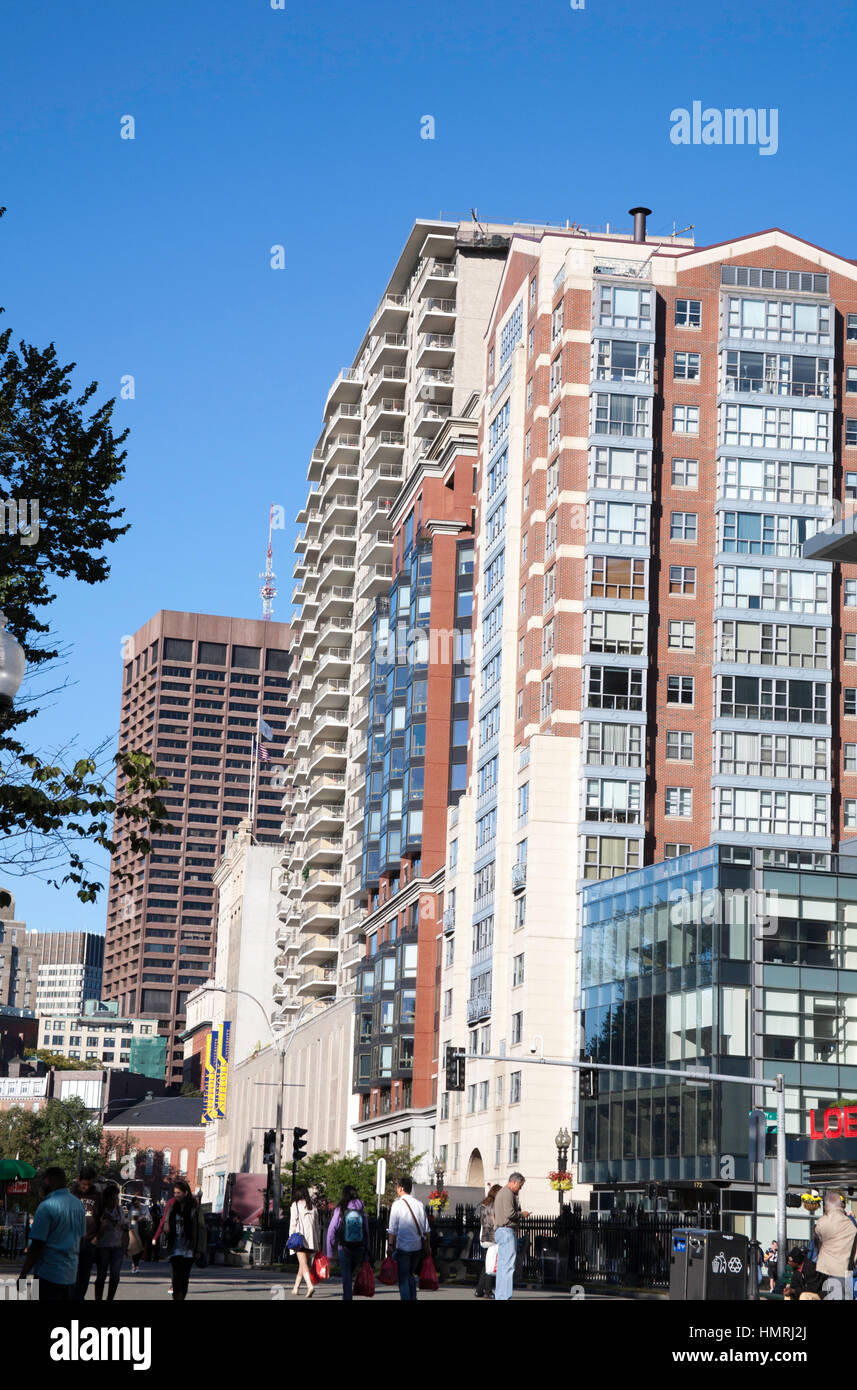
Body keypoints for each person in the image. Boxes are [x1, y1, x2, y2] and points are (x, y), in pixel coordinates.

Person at [18, 1167, 85, 1301]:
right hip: (70, 1276)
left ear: (52, 1181)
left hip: (47, 1274)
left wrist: (23, 1274)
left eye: (45, 1181)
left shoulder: (46, 1206)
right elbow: (82, 1240)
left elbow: (37, 1245)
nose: (43, 1185)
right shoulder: (78, 1205)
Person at [157, 1180, 208, 1301]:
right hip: (175, 1247)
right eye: (174, 1193)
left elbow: (201, 1229)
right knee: (175, 1279)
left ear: (186, 1193)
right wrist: (165, 1224)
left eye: (178, 1193)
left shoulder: (195, 1209)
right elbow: (166, 1220)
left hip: (189, 1248)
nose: (176, 1195)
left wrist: (199, 1249)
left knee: (184, 1278)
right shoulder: (172, 1207)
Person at [387, 1175, 430, 1301]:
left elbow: (392, 1229)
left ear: (400, 1188)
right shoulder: (419, 1204)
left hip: (403, 1247)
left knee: (403, 1278)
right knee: (410, 1274)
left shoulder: (397, 1205)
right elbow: (426, 1229)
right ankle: (413, 1297)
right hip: (417, 1247)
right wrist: (428, 1246)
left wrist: (390, 1246)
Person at [326, 1184, 370, 1302]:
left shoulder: (341, 1209)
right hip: (359, 1248)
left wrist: (329, 1253)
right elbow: (366, 1232)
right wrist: (366, 1252)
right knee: (349, 1275)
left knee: (346, 1279)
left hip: (344, 1247)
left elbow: (331, 1231)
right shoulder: (361, 1209)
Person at [69, 1165, 104, 1300]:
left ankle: (79, 1297)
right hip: (72, 1240)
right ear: (78, 1180)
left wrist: (97, 1238)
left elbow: (103, 1218)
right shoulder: (72, 1195)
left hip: (90, 1240)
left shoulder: (97, 1196)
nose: (86, 1187)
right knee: (72, 1272)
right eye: (84, 1184)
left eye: (89, 1184)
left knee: (84, 1274)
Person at [492, 1172, 528, 1302]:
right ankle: (504, 1296)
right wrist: (522, 1214)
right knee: (508, 1267)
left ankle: (500, 1295)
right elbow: (510, 1213)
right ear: (514, 1182)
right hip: (507, 1231)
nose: (520, 1188)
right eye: (520, 1185)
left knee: (502, 1266)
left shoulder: (501, 1192)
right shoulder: (508, 1193)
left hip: (502, 1230)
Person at [814, 1192, 856, 1301]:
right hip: (849, 1271)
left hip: (832, 1270)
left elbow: (818, 1236)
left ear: (827, 1207)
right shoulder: (851, 1221)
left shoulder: (824, 1221)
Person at [92, 1182, 128, 1301]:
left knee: (115, 1276)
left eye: (117, 1198)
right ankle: (98, 1297)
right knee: (101, 1275)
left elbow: (124, 1227)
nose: (115, 1201)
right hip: (103, 1246)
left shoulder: (120, 1210)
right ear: (106, 1199)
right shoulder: (101, 1211)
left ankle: (110, 1297)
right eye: (113, 1198)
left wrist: (125, 1244)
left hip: (117, 1246)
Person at [288, 1184, 321, 1298]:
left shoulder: (295, 1205)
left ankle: (310, 1285)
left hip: (299, 1239)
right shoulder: (313, 1206)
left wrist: (290, 1237)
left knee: (302, 1263)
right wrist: (318, 1240)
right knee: (303, 1264)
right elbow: (317, 1226)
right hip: (311, 1239)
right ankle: (295, 1288)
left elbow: (293, 1223)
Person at [474, 1184, 501, 1299]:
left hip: (484, 1235)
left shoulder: (484, 1205)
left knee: (487, 1264)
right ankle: (487, 1290)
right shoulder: (493, 1206)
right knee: (490, 1265)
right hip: (492, 1236)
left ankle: (480, 1290)